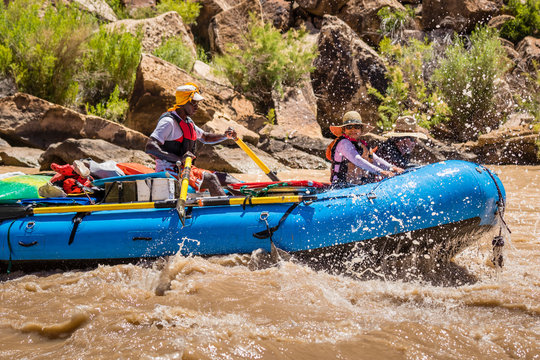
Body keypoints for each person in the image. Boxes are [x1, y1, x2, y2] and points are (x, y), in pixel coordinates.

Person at [145, 83, 237, 196]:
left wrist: (225, 135)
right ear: (184, 102)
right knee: (211, 179)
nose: (197, 106)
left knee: (227, 178)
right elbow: (150, 146)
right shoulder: (168, 122)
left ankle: (250, 200)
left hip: (187, 169)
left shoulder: (188, 122)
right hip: (169, 171)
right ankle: (224, 211)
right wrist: (179, 158)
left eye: (197, 102)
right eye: (194, 102)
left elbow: (206, 137)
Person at [326, 111, 403, 185]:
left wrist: (392, 168)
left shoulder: (363, 145)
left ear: (361, 129)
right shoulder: (343, 143)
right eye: (349, 127)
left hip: (356, 185)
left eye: (357, 127)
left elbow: (376, 160)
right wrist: (381, 172)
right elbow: (357, 160)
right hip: (340, 186)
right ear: (344, 130)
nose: (353, 130)